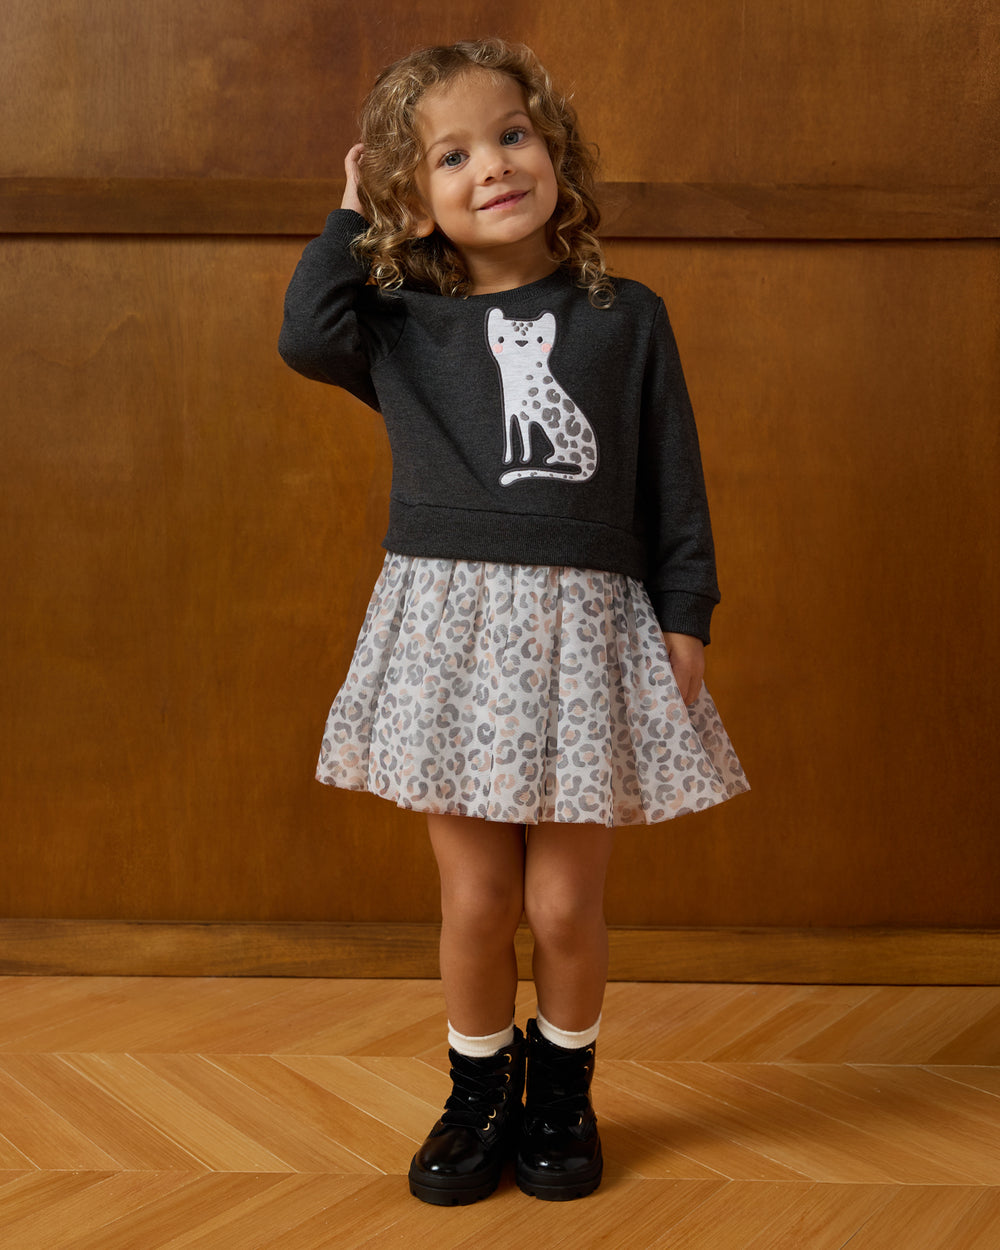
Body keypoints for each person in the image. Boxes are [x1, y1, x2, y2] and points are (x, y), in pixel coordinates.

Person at [279, 38, 748, 1206]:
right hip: (451, 633)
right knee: (479, 898)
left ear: (553, 151)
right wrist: (350, 217)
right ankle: (476, 1092)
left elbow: (673, 483)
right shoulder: (399, 322)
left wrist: (685, 614)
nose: (489, 165)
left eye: (509, 135)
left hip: (586, 635)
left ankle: (562, 1091)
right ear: (413, 200)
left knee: (561, 902)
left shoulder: (623, 316)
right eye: (449, 157)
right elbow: (305, 332)